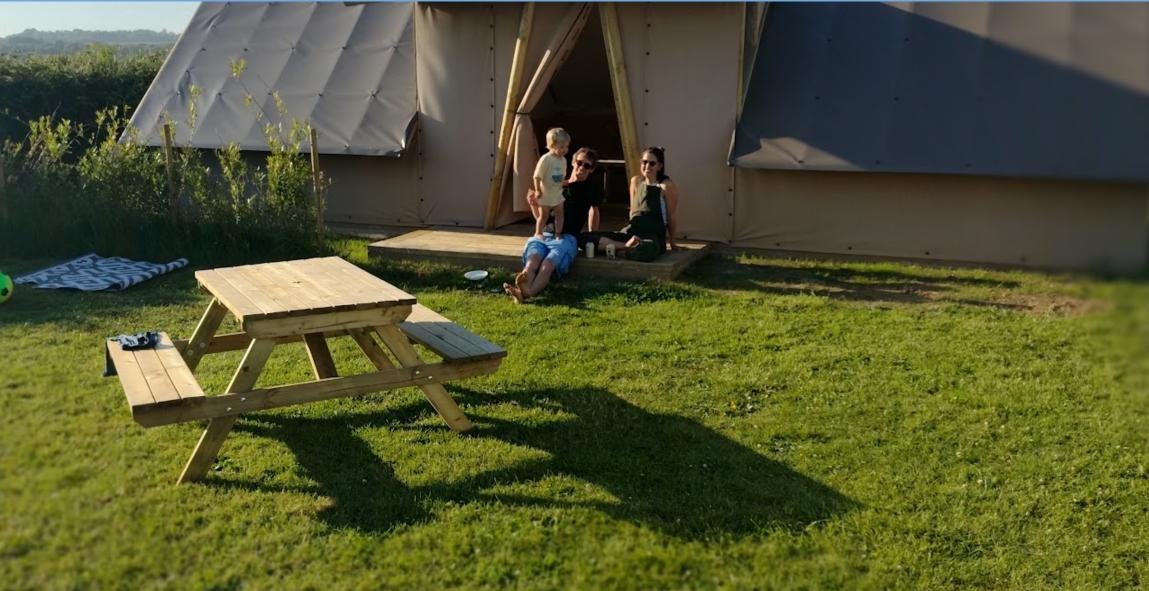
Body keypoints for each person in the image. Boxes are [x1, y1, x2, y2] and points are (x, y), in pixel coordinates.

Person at [504, 147, 604, 303]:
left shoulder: (591, 187)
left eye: (587, 165)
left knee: (548, 263)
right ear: (573, 162)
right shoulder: (555, 184)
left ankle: (527, 292)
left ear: (592, 169)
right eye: (579, 163)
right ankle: (523, 290)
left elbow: (594, 211)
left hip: (567, 237)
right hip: (545, 234)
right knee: (533, 260)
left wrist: (593, 236)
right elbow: (541, 217)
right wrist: (532, 204)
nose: (582, 168)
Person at [587, 146, 678, 262]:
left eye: (652, 163)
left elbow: (671, 216)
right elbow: (632, 210)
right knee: (587, 238)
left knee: (647, 250)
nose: (647, 166)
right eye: (644, 162)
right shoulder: (635, 181)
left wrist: (672, 242)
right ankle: (624, 247)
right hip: (632, 231)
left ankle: (620, 251)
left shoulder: (666, 186)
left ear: (659, 166)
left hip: (652, 235)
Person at [531, 127, 570, 239]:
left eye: (566, 146)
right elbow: (537, 176)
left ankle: (558, 233)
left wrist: (563, 182)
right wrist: (538, 190)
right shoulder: (546, 159)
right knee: (544, 215)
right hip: (546, 193)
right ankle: (538, 232)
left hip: (557, 192)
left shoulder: (563, 160)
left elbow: (559, 176)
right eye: (561, 147)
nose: (565, 150)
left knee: (560, 214)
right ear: (552, 145)